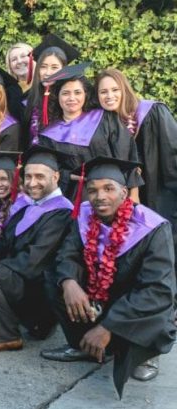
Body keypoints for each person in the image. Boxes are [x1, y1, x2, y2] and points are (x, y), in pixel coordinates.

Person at [41, 157, 176, 397]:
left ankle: (144, 354)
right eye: (92, 190)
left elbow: (156, 290)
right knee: (55, 277)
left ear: (124, 192)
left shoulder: (153, 227)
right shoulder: (83, 217)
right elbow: (67, 254)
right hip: (101, 295)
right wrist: (69, 282)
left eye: (108, 188)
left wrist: (108, 326)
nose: (99, 196)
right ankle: (82, 344)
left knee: (158, 304)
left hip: (135, 303)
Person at [0, 146, 73, 352]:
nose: (32, 183)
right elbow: (4, 244)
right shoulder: (29, 206)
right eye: (28, 176)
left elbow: (34, 259)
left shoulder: (61, 212)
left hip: (43, 285)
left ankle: (5, 336)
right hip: (27, 278)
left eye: (40, 177)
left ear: (56, 176)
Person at [95, 68, 177, 262]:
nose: (110, 96)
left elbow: (173, 150)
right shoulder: (102, 123)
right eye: (103, 92)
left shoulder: (152, 111)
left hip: (160, 191)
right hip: (126, 197)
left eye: (115, 90)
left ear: (125, 89)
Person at [38, 63, 142, 203]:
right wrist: (71, 176)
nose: (72, 98)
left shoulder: (105, 118)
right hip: (72, 198)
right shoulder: (48, 134)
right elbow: (50, 171)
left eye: (77, 92)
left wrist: (134, 195)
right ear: (57, 97)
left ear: (86, 95)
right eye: (65, 93)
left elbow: (128, 157)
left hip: (114, 194)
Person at [22, 34, 79, 146]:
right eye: (43, 66)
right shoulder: (27, 100)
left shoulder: (73, 99)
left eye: (54, 67)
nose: (48, 72)